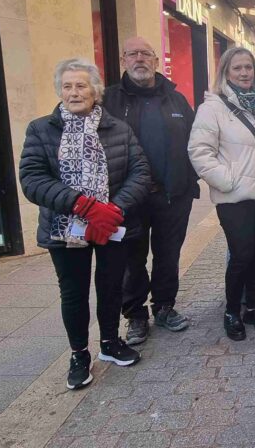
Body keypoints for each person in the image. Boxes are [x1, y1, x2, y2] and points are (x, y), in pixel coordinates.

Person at [19, 58, 151, 390]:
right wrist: (82, 205)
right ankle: (79, 353)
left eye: (81, 85)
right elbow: (32, 179)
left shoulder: (117, 128)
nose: (74, 92)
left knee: (111, 286)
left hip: (111, 225)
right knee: (74, 293)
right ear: (59, 91)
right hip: (67, 227)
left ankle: (109, 342)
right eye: (67, 86)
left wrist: (113, 210)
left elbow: (140, 172)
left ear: (95, 90)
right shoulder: (41, 129)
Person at [188, 47, 255, 341]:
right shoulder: (213, 108)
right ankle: (232, 310)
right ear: (225, 72)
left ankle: (252, 307)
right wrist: (228, 180)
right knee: (241, 254)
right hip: (234, 197)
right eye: (237, 68)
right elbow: (199, 152)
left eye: (248, 67)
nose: (244, 73)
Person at [103, 36, 199, 346]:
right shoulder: (107, 100)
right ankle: (136, 317)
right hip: (127, 199)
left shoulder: (176, 100)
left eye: (146, 54)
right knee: (132, 260)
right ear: (123, 61)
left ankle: (164, 307)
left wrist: (190, 181)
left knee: (168, 256)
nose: (140, 59)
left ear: (156, 61)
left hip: (172, 195)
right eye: (133, 54)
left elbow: (196, 143)